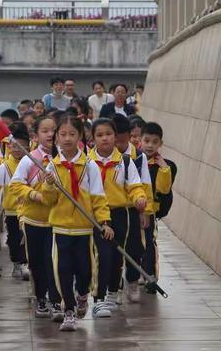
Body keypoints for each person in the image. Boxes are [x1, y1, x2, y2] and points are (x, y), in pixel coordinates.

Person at [40, 115, 114, 332]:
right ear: (56, 138)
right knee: (62, 270)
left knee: (85, 271)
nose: (67, 139)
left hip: (84, 229)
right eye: (62, 134)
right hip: (61, 228)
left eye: (72, 134)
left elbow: (98, 197)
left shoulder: (89, 165)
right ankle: (69, 311)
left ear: (81, 136)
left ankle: (82, 295)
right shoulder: (52, 166)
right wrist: (49, 186)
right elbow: (48, 200)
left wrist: (104, 222)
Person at [89, 118, 147, 318]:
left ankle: (113, 293)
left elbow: (134, 185)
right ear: (93, 138)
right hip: (96, 215)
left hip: (120, 215)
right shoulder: (86, 162)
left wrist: (139, 199)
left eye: (108, 134)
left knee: (116, 256)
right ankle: (99, 298)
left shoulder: (125, 161)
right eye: (99, 135)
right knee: (101, 255)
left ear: (116, 136)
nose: (105, 138)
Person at [10, 116, 64, 321]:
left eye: (54, 130)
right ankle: (41, 298)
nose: (50, 134)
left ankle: (57, 300)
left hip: (59, 221)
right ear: (36, 135)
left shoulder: (65, 159)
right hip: (34, 220)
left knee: (57, 263)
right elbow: (15, 185)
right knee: (38, 262)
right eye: (45, 131)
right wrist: (35, 195)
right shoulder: (29, 158)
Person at [113, 113, 152, 303]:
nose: (119, 145)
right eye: (116, 140)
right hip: (112, 211)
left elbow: (145, 185)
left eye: (122, 141)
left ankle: (133, 281)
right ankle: (116, 287)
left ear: (129, 136)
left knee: (135, 248)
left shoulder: (139, 157)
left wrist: (145, 211)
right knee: (114, 250)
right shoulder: (104, 156)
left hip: (133, 210)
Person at [0, 122, 30, 280]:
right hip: (12, 211)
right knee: (14, 239)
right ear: (9, 146)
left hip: (29, 210)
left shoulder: (32, 163)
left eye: (21, 147)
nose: (17, 150)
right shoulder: (5, 166)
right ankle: (17, 264)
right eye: (14, 147)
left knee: (27, 238)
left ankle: (25, 263)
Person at [137, 121, 177, 294]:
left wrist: (164, 170)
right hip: (133, 210)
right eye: (147, 140)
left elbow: (163, 190)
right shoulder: (133, 161)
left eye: (155, 142)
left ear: (160, 144)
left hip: (150, 211)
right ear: (140, 141)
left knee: (149, 244)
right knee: (134, 243)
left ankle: (150, 276)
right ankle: (135, 272)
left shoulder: (164, 165)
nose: (150, 145)